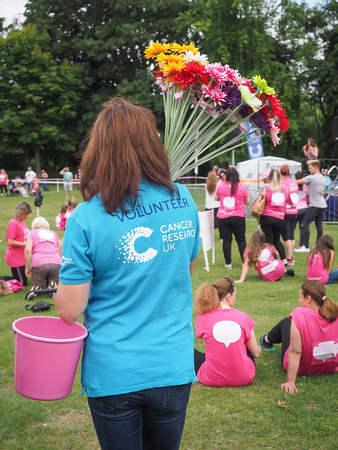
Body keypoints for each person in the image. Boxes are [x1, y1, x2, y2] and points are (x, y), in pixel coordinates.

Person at [54, 97, 201, 450]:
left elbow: (69, 311)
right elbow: (184, 270)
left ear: (99, 150)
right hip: (172, 364)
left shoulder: (85, 218)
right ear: (151, 144)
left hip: (116, 370)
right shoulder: (183, 198)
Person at [259, 281, 338, 393]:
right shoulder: (335, 313)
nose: (298, 300)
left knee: (286, 322)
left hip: (303, 368)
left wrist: (290, 381)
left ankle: (266, 340)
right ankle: (266, 340)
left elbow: (295, 351)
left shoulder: (299, 315)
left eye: (300, 297)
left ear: (308, 299)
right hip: (330, 366)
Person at [194, 277, 261, 387]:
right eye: (234, 295)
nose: (235, 298)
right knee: (245, 345)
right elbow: (256, 353)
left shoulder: (203, 317)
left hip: (212, 378)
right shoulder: (243, 317)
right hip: (243, 378)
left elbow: (201, 335)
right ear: (228, 296)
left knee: (191, 352)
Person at [215, 167, 250, 269]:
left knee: (226, 240)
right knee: (241, 240)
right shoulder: (242, 187)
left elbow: (215, 198)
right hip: (238, 216)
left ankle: (228, 263)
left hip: (223, 216)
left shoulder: (221, 186)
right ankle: (244, 262)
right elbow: (247, 201)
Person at [295, 160, 327, 253]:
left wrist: (286, 181)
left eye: (310, 168)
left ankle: (305, 246)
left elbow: (297, 182)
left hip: (315, 205)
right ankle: (319, 245)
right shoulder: (322, 178)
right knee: (319, 226)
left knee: (304, 224)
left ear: (316, 167)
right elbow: (323, 192)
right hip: (322, 204)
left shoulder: (311, 178)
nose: (309, 170)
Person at [24, 217, 61, 291]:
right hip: (55, 262)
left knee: (38, 282)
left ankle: (37, 288)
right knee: (53, 280)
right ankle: (52, 287)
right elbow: (59, 248)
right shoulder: (53, 233)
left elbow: (28, 250)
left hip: (39, 263)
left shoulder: (31, 233)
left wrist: (27, 266)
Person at [259, 169, 287, 264]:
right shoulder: (284, 188)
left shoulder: (266, 188)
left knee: (269, 240)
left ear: (269, 178)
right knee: (277, 240)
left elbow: (261, 199)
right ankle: (284, 259)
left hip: (267, 216)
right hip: (279, 218)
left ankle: (271, 259)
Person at [5, 201, 32, 286]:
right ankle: (2, 280)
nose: (26, 216)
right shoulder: (13, 223)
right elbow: (10, 241)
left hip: (21, 257)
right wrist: (25, 244)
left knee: (22, 281)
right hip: (15, 257)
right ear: (19, 212)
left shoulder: (22, 222)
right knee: (22, 283)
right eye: (25, 214)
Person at [280, 164, 299, 265]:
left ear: (280, 172)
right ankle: (291, 257)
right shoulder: (294, 183)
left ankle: (288, 258)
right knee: (291, 235)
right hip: (294, 210)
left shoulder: (282, 184)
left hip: (286, 211)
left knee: (286, 236)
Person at [294, 171, 309, 249]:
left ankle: (291, 242)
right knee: (303, 228)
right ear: (302, 177)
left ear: (295, 178)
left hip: (295, 208)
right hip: (304, 208)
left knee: (291, 228)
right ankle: (302, 244)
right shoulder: (306, 187)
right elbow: (308, 198)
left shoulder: (293, 187)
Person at [204, 171, 220, 238]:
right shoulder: (218, 185)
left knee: (209, 223)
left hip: (208, 206)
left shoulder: (206, 186)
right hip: (217, 205)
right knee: (219, 223)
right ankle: (221, 237)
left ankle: (210, 236)